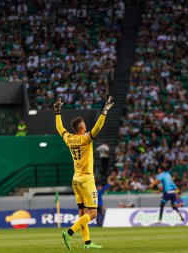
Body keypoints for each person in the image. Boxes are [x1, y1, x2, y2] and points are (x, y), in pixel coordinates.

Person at [56, 96, 114, 250]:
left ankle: (87, 242)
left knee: (83, 213)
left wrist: (57, 113)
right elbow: (98, 127)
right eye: (84, 125)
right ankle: (69, 232)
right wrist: (105, 111)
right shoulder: (86, 139)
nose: (86, 126)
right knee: (93, 214)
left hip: (75, 179)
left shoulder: (70, 139)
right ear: (81, 127)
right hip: (87, 179)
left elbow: (60, 128)